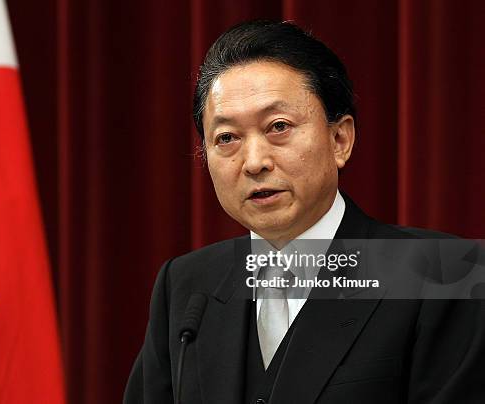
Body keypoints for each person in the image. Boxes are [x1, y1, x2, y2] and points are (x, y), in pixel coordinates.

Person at [124, 20, 485, 404]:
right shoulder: (186, 285)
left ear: (339, 139)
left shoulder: (442, 278)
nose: (254, 162)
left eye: (278, 127)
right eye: (227, 137)